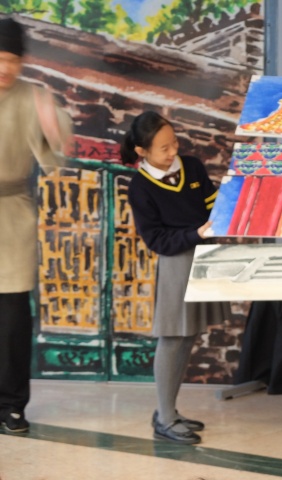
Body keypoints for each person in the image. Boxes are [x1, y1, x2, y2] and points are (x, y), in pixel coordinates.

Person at [122, 111, 224, 445]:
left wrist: (223, 214)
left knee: (189, 334)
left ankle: (169, 412)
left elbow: (211, 204)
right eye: (164, 148)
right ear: (142, 151)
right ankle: (165, 419)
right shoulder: (140, 187)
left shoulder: (191, 167)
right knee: (173, 337)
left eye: (174, 143)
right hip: (177, 261)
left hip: (203, 253)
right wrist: (196, 233)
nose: (173, 151)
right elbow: (156, 240)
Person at [0, 16, 72, 434]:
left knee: (12, 319)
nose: (5, 67)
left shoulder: (30, 97)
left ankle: (12, 405)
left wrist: (52, 122)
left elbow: (52, 155)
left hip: (11, 215)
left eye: (12, 59)